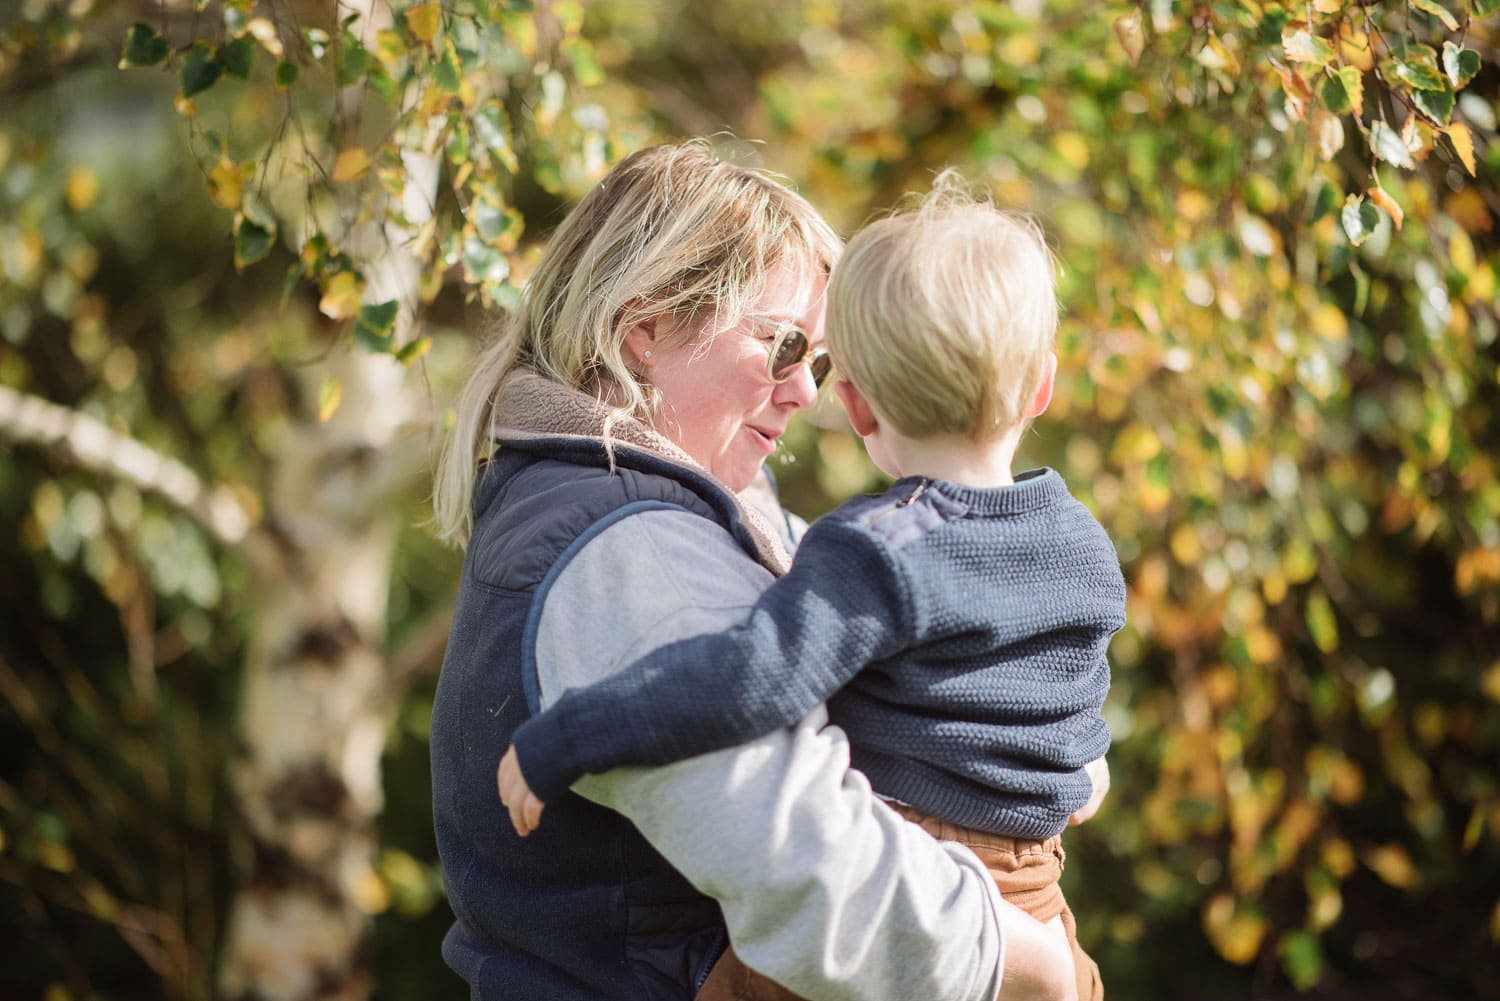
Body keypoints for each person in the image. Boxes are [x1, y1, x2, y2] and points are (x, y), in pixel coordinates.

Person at [430, 142, 1079, 1001]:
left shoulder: (682, 509)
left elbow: (921, 624)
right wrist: (1021, 960)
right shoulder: (633, 551)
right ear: (647, 327)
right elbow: (805, 866)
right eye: (781, 348)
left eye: (816, 362)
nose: (808, 392)